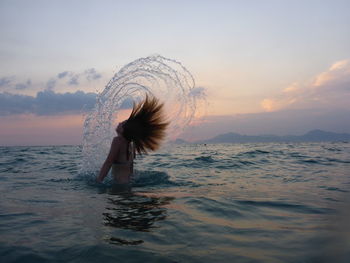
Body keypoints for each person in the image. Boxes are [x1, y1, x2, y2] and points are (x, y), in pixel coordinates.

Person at [96, 95, 169, 184]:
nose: (119, 123)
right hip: (128, 183)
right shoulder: (131, 144)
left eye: (122, 124)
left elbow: (108, 162)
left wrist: (98, 181)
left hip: (120, 187)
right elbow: (131, 168)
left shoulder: (118, 140)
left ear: (124, 131)